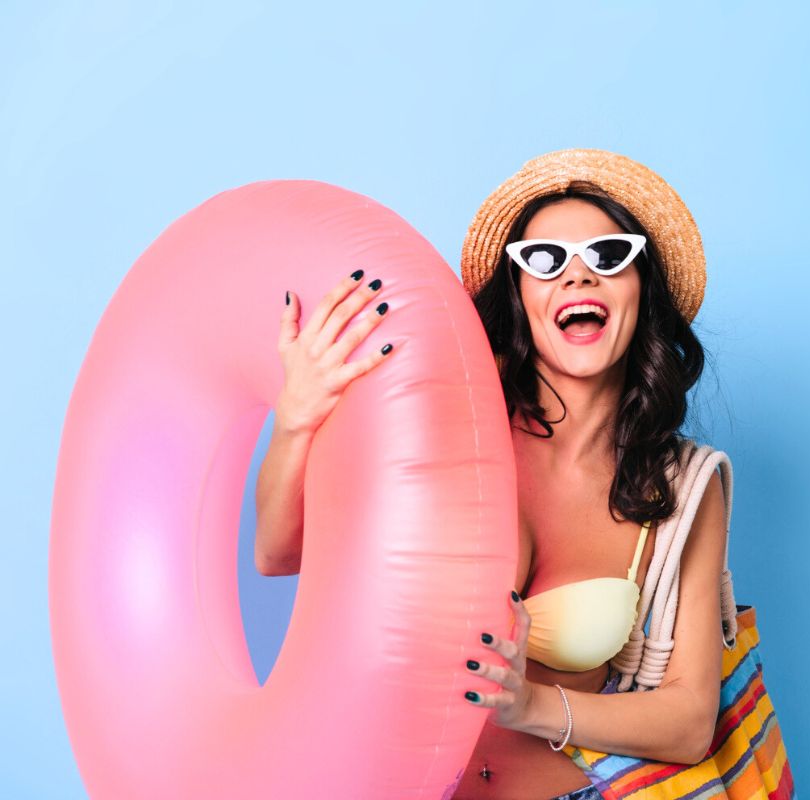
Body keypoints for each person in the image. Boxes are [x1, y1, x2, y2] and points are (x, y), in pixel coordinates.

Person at [255, 148, 729, 800]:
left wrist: (530, 704)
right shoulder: (446, 430)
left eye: (608, 256)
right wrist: (295, 420)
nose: (577, 278)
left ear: (640, 289)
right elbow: (280, 553)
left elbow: (689, 722)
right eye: (544, 261)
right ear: (521, 294)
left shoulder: (678, 485)